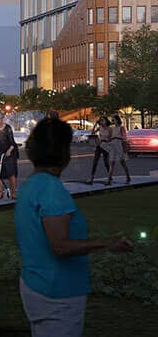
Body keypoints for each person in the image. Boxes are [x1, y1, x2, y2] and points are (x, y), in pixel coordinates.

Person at [15, 115, 134, 334]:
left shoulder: (29, 185)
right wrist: (106, 243)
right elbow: (60, 246)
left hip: (35, 284)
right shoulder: (52, 190)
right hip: (57, 292)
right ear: (63, 152)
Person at [105, 115, 131, 186]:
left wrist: (117, 137)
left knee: (122, 162)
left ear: (117, 120)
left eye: (114, 120)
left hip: (119, 145)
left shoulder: (121, 128)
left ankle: (128, 177)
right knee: (112, 162)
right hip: (113, 145)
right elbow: (109, 137)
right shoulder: (112, 128)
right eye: (112, 120)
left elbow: (124, 137)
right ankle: (109, 180)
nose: (113, 121)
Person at [84, 115, 110, 185]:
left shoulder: (109, 129)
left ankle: (110, 178)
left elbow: (111, 139)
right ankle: (91, 179)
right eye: (100, 120)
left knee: (106, 163)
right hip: (99, 146)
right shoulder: (100, 127)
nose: (101, 121)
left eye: (103, 120)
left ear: (106, 121)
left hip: (106, 147)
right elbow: (92, 133)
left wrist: (105, 140)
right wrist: (95, 124)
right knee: (95, 162)